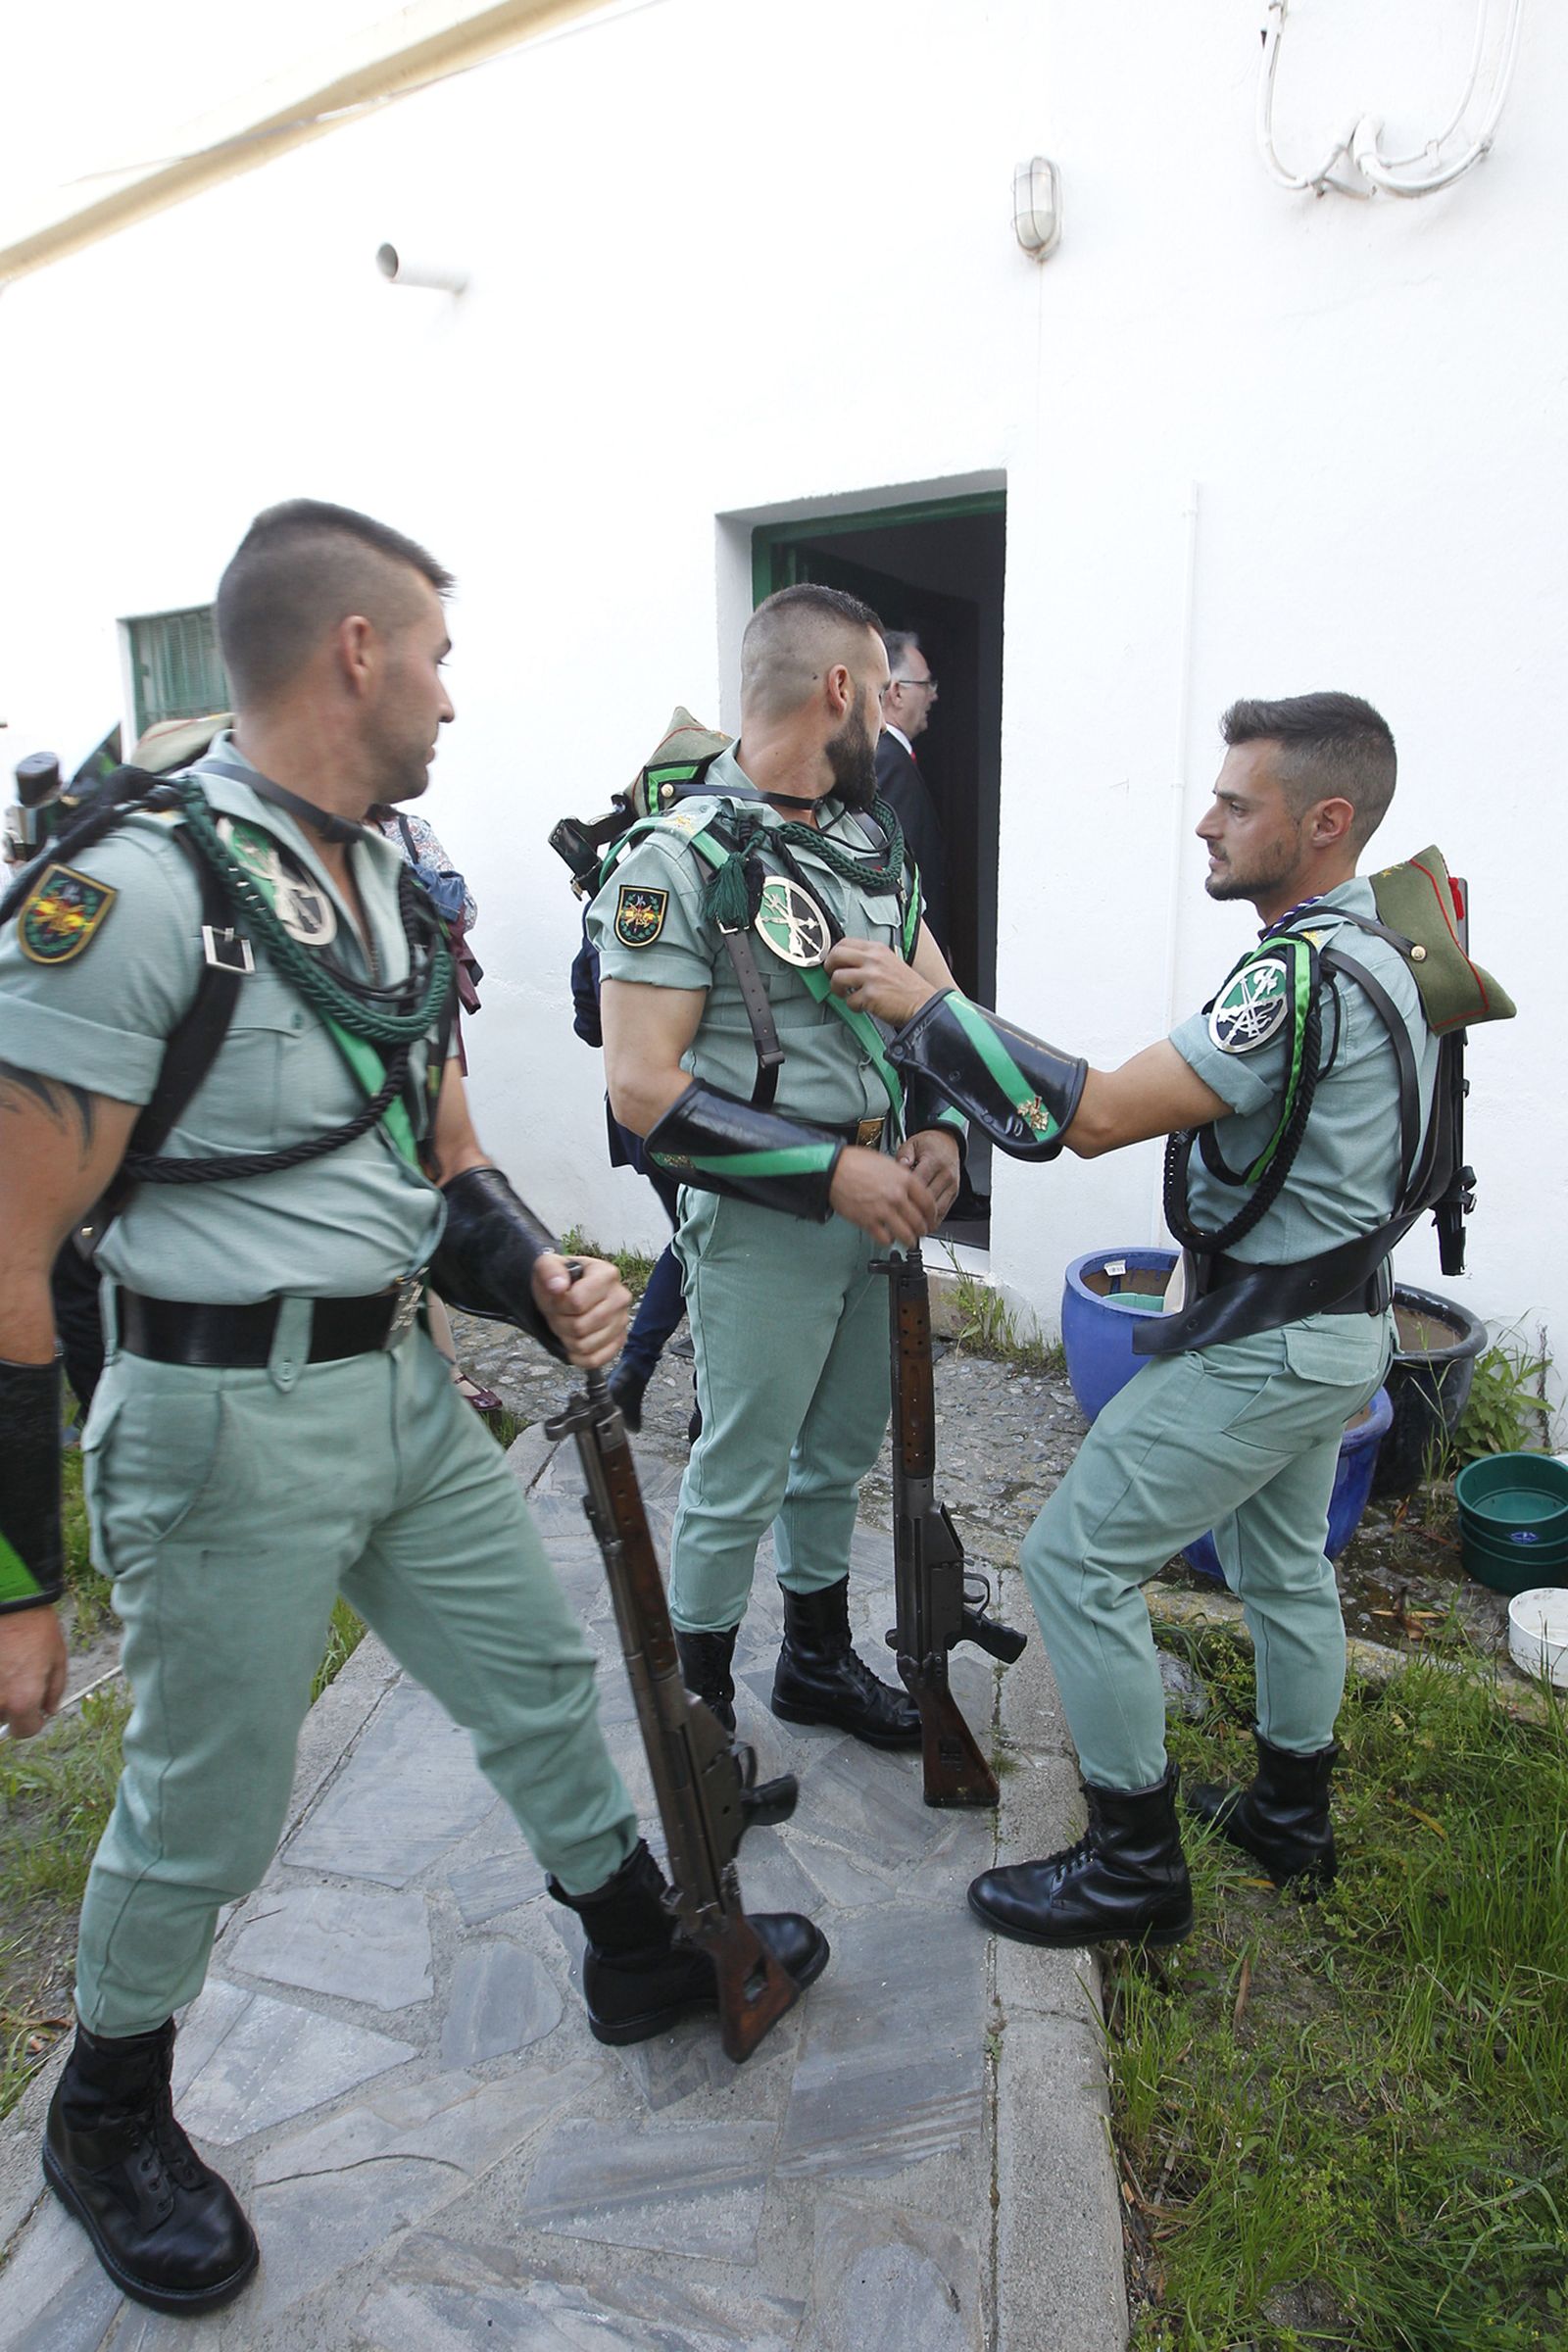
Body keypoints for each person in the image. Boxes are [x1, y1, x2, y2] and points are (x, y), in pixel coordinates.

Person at [0, 500, 826, 2319]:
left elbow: (435, 1153)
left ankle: (631, 1948)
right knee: (209, 1805)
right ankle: (108, 2112)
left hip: (398, 1383)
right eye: (437, 657)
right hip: (220, 1422)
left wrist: (536, 1273)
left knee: (532, 1674)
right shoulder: (129, 895)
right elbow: (4, 1248)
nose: (453, 696)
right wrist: (16, 1581)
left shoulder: (384, 882)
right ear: (356, 652)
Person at [824, 692, 1437, 1945]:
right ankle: (1290, 1818)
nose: (1204, 822)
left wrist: (926, 1012)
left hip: (1270, 1343)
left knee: (1072, 1559)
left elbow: (1095, 1115)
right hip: (1341, 1329)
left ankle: (1133, 1870)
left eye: (1236, 804)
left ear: (1325, 822)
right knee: (1280, 1566)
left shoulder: (1296, 975)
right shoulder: (1387, 949)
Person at [590, 583, 962, 1742]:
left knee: (837, 1456)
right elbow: (641, 1086)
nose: (888, 716)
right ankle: (698, 1718)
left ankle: (814, 1662)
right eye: (881, 692)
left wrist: (942, 1128)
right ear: (840, 690)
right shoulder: (673, 860)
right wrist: (828, 1173)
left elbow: (939, 1005)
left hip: (880, 1209)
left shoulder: (866, 842)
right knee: (739, 1468)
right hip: (764, 1218)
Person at [569, 916, 695, 1436]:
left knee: (694, 1241)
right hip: (696, 1112)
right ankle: (701, 1403)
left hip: (638, 1116)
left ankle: (637, 1373)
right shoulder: (694, 890)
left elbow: (589, 1023)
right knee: (704, 1244)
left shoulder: (604, 904)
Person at [875, 631, 949, 952]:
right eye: (926, 685)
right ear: (897, 692)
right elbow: (894, 870)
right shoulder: (888, 761)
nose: (934, 696)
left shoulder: (892, 757)